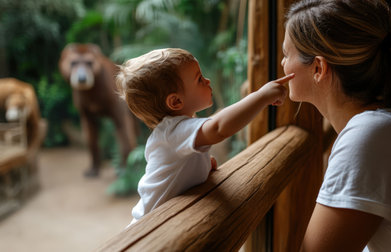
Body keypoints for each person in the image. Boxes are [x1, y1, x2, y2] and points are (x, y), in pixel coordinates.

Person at [281, 0, 391, 251]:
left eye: (286, 54)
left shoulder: (369, 136)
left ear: (318, 68)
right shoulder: (378, 129)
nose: (282, 64)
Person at [116, 48, 294, 226]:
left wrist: (201, 168)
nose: (207, 80)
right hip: (148, 229)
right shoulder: (173, 131)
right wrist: (261, 97)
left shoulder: (177, 130)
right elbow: (218, 127)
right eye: (199, 79)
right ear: (176, 101)